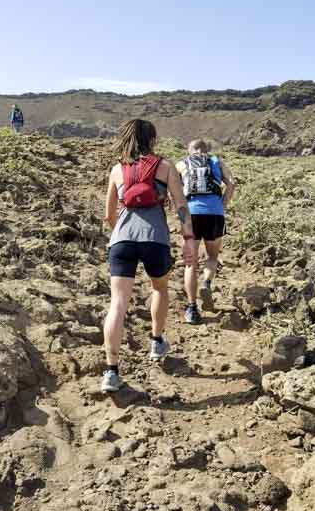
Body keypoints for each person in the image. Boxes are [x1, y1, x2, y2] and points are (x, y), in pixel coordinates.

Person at [101, 119, 196, 392]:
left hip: (122, 240)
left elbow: (109, 215)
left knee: (117, 304)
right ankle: (156, 341)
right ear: (152, 139)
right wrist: (188, 240)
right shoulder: (165, 167)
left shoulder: (117, 170)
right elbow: (181, 206)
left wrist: (122, 232)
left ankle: (111, 371)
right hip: (156, 239)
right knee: (160, 289)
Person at [176, 139, 236, 324]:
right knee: (212, 255)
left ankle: (192, 309)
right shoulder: (216, 161)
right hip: (214, 214)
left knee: (190, 264)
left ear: (190, 150)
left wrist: (180, 212)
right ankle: (207, 283)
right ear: (206, 150)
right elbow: (231, 183)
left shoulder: (181, 164)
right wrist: (222, 205)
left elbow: (175, 190)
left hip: (192, 215)